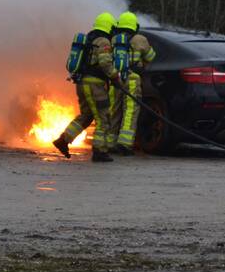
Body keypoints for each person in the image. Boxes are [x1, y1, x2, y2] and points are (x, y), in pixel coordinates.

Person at [53, 12, 122, 162]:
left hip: (82, 84)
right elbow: (105, 63)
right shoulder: (103, 41)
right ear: (109, 27)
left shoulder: (89, 40)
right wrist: (115, 77)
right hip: (95, 86)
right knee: (103, 118)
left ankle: (63, 140)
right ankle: (99, 152)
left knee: (86, 116)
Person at [108, 11, 157, 156]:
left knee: (113, 110)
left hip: (115, 79)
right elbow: (151, 56)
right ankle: (124, 144)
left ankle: (109, 143)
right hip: (132, 79)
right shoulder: (140, 39)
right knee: (130, 111)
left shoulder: (114, 39)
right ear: (134, 26)